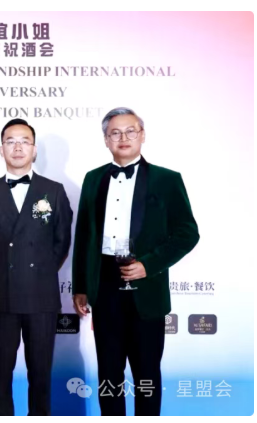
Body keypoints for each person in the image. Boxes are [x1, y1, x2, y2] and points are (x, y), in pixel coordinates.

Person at [72, 107, 199, 416]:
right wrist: (81, 286)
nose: (123, 137)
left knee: (147, 373)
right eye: (115, 133)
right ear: (106, 140)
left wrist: (149, 264)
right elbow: (84, 235)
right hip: (105, 284)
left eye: (130, 131)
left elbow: (187, 233)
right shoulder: (93, 179)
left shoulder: (167, 179)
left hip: (147, 287)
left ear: (142, 135)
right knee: (109, 372)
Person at [0, 118, 72, 416]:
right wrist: (3, 275)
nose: (17, 147)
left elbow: (61, 243)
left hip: (41, 297)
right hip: (1, 296)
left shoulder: (54, 191)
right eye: (10, 141)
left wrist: (37, 273)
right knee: (0, 375)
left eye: (24, 141)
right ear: (1, 149)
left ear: (34, 149)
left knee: (40, 375)